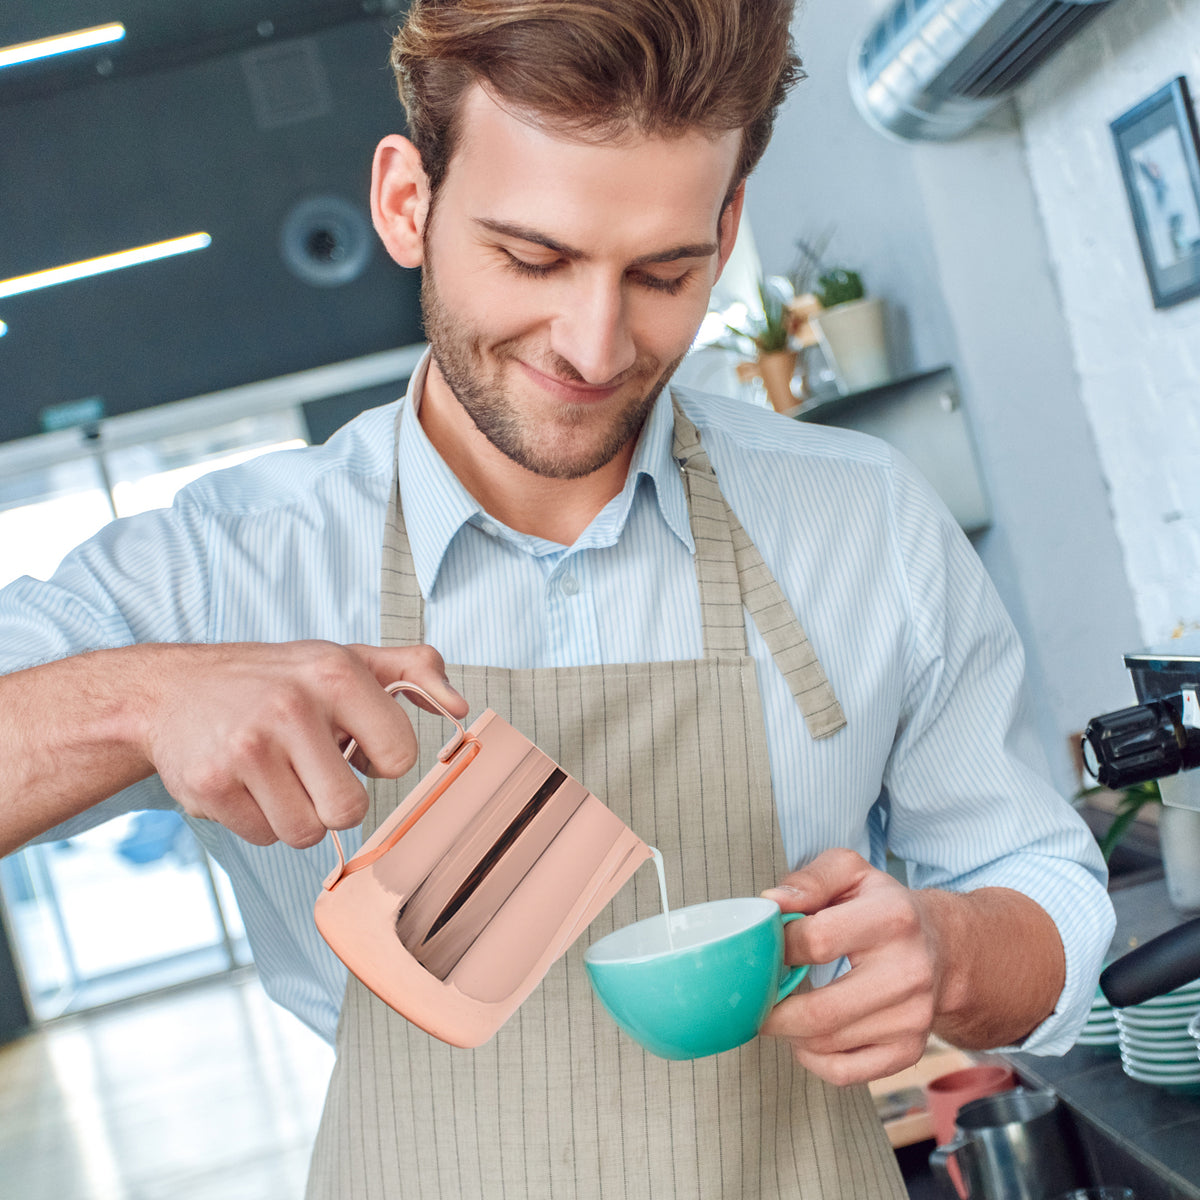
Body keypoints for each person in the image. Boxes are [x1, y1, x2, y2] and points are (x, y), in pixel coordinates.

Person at [0, 1, 1114, 1196]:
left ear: (727, 228)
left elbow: (1043, 886)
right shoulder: (222, 567)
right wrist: (142, 701)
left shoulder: (866, 521)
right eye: (533, 258)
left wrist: (944, 954)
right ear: (405, 203)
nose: (593, 345)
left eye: (663, 272)